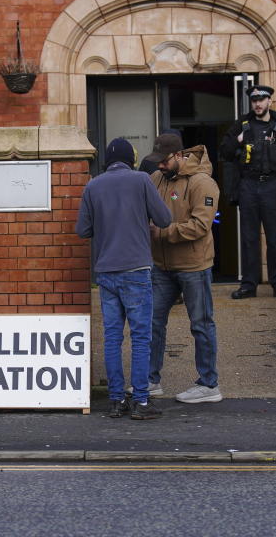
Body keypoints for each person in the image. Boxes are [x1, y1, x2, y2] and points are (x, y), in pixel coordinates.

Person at [75, 138, 172, 420]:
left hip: (106, 272)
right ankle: (141, 402)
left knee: (112, 337)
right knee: (141, 338)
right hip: (137, 270)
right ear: (131, 159)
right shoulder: (142, 180)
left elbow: (82, 229)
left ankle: (116, 400)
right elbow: (164, 219)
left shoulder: (93, 186)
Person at [147, 133, 223, 404]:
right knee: (152, 322)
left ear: (179, 155)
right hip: (161, 267)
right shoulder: (156, 178)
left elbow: (202, 226)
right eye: (157, 161)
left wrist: (162, 233)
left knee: (201, 324)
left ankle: (209, 384)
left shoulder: (202, 182)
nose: (160, 166)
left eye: (164, 161)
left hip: (194, 266)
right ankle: (150, 380)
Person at [220, 85, 276, 300]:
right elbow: (224, 152)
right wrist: (237, 140)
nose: (258, 103)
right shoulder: (243, 124)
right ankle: (249, 285)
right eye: (254, 100)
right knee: (249, 238)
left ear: (269, 101)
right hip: (248, 185)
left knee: (274, 238)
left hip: (272, 186)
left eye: (262, 99)